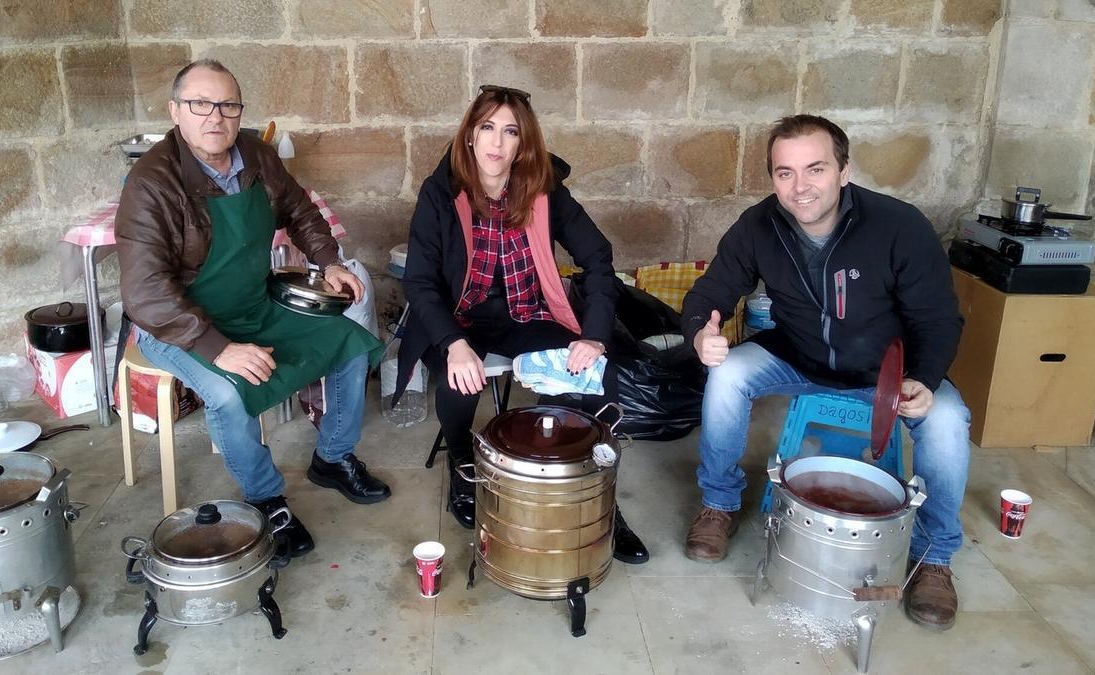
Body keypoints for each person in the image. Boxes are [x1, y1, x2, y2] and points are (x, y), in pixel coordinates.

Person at [681, 114, 970, 630]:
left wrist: (923, 378)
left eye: (815, 169)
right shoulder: (759, 225)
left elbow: (938, 318)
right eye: (784, 173)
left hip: (886, 373)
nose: (800, 187)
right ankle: (718, 504)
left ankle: (934, 557)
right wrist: (703, 334)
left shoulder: (899, 226)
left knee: (947, 419)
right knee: (727, 374)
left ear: (844, 170)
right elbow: (710, 294)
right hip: (796, 355)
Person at [115, 59, 390, 564]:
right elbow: (146, 291)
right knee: (227, 394)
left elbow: (300, 210)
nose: (214, 117)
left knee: (350, 342)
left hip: (252, 303)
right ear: (176, 111)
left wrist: (328, 261)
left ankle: (332, 457)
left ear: (240, 113)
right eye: (199, 104)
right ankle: (265, 497)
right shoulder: (151, 183)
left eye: (227, 105)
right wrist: (217, 348)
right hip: (177, 325)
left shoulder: (257, 157)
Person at [396, 85, 648, 565]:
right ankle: (463, 460)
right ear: (470, 135)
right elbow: (420, 282)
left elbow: (597, 257)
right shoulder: (440, 192)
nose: (497, 142)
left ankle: (594, 495)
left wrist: (592, 335)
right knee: (460, 382)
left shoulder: (543, 189)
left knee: (592, 377)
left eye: (510, 132)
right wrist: (452, 343)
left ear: (523, 143)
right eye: (487, 127)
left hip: (523, 314)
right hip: (457, 318)